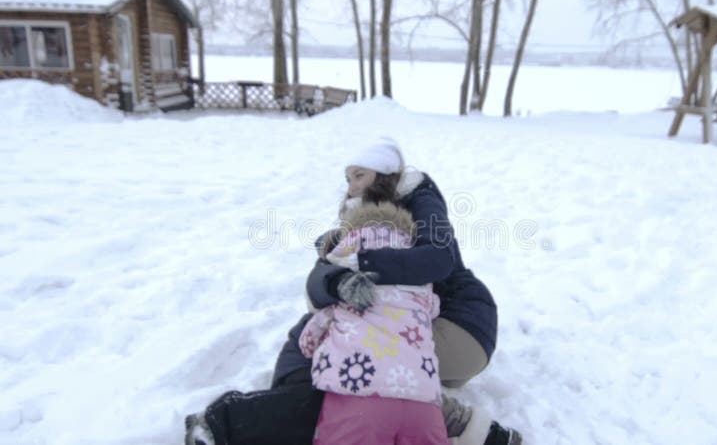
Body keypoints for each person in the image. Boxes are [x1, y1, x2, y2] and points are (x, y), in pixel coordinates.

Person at [185, 138, 522, 445]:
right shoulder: (366, 220)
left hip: (460, 325)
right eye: (347, 179)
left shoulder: (419, 198)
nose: (350, 186)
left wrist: (356, 262)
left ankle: (249, 418)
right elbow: (317, 287)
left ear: (385, 174)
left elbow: (439, 259)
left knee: (333, 358)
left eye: (359, 175)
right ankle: (467, 426)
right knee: (355, 348)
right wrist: (337, 278)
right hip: (432, 336)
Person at [300, 198, 448, 444]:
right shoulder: (421, 293)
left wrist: (310, 345)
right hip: (423, 405)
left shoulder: (347, 286)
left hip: (356, 398)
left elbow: (309, 339)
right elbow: (434, 308)